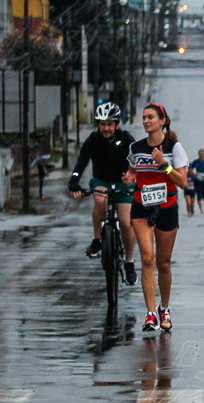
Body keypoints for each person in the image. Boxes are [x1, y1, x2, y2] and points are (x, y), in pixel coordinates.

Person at [124, 101, 189, 333]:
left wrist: (164, 165)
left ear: (162, 120)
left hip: (167, 207)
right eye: (144, 117)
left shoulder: (174, 147)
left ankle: (165, 308)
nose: (146, 121)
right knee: (148, 259)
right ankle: (150, 313)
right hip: (142, 207)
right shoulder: (136, 147)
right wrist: (129, 178)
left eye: (150, 117)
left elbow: (182, 182)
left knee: (163, 262)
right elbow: (132, 169)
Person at [69, 102, 138, 284]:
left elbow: (137, 163)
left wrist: (131, 177)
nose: (106, 128)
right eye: (102, 124)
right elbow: (81, 163)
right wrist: (74, 181)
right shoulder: (93, 140)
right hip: (101, 181)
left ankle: (129, 262)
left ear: (117, 124)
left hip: (123, 183)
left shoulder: (127, 140)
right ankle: (97, 240)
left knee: (125, 223)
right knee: (99, 201)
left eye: (109, 124)